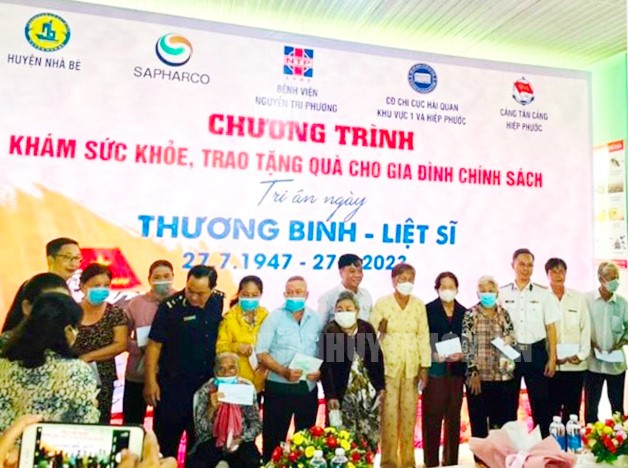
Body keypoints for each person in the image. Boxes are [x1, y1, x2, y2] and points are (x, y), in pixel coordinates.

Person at [143, 265, 224, 458]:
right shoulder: (170, 307)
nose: (193, 297)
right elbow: (154, 345)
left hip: (205, 387)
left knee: (199, 448)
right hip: (173, 387)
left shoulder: (218, 301)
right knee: (165, 446)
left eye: (200, 293)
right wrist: (150, 381)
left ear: (212, 289)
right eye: (190, 290)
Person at [0, 293, 100, 431]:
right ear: (68, 330)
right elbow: (85, 424)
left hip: (5, 442)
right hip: (46, 444)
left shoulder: (4, 364)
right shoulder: (77, 371)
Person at [256, 275, 324, 462]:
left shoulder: (316, 318)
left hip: (307, 390)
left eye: (299, 292)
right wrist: (283, 371)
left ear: (307, 295)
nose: (294, 295)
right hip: (278, 390)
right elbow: (261, 353)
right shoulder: (274, 317)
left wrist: (320, 372)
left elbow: (322, 350)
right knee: (273, 443)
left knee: (306, 444)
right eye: (290, 292)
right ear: (284, 294)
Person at [370, 263, 431, 468]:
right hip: (388, 367)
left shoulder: (418, 305)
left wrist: (425, 366)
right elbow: (370, 334)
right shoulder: (382, 303)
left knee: (409, 415)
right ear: (394, 280)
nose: (407, 282)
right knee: (388, 415)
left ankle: (408, 461)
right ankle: (388, 461)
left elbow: (423, 336)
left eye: (411, 279)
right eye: (403, 278)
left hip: (412, 368)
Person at [499, 248, 560, 437]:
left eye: (530, 265)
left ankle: (542, 446)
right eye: (521, 264)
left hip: (536, 351)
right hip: (510, 352)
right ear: (513, 265)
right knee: (507, 403)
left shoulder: (543, 293)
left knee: (541, 403)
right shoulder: (502, 293)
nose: (525, 269)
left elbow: (551, 328)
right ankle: (509, 446)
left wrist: (552, 359)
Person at [320, 291, 385, 449]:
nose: (344, 312)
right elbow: (326, 367)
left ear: (357, 311)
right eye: (339, 309)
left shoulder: (366, 328)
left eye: (348, 309)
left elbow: (377, 359)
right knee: (341, 441)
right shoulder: (330, 331)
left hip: (368, 394)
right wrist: (330, 395)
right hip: (342, 394)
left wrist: (381, 387)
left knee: (369, 438)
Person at [463, 276, 519, 439]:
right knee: (479, 425)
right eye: (483, 291)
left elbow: (512, 338)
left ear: (497, 293)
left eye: (490, 290)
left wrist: (508, 340)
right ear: (477, 293)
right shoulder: (471, 314)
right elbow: (466, 343)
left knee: (500, 426)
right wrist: (473, 372)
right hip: (479, 378)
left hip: (502, 377)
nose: (487, 294)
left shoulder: (504, 314)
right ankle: (480, 455)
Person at [72, 263, 129, 424]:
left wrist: (88, 357)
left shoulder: (115, 313)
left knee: (100, 420)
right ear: (83, 286)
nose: (102, 289)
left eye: (106, 285)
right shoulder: (71, 312)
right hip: (72, 374)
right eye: (96, 285)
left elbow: (120, 344)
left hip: (103, 378)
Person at [123, 260, 176, 425]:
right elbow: (123, 338)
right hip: (137, 374)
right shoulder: (135, 304)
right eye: (157, 277)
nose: (162, 281)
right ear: (149, 279)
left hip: (169, 375)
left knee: (164, 425)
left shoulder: (181, 302)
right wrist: (139, 348)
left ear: (173, 277)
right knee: (132, 424)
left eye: (166, 276)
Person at [422, 272, 467, 467]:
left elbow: (469, 340)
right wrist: (433, 353)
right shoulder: (427, 310)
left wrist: (463, 353)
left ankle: (450, 461)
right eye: (443, 287)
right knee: (432, 417)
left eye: (451, 287)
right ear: (437, 289)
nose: (447, 290)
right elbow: (422, 338)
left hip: (456, 371)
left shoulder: (464, 312)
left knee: (453, 417)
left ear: (457, 289)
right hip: (435, 370)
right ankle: (431, 461)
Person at [187, 352, 262, 468]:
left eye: (231, 368)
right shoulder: (206, 390)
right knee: (197, 463)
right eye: (221, 368)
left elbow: (256, 425)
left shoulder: (245, 388)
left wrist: (240, 439)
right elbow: (200, 430)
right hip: (212, 440)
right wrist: (211, 408)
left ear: (237, 370)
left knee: (251, 461)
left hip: (240, 440)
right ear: (215, 371)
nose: (226, 373)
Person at [545, 258, 590, 423]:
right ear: (547, 274)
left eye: (562, 271)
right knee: (552, 409)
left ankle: (570, 439)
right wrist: (550, 357)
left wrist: (581, 355)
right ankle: (552, 440)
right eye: (554, 271)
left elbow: (586, 327)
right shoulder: (543, 297)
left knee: (572, 410)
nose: (558, 275)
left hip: (575, 365)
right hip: (551, 365)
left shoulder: (577, 297)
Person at [2, 237, 81, 333]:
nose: (74, 263)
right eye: (68, 257)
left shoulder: (74, 289)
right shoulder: (36, 285)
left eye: (77, 258)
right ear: (50, 260)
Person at [584, 261, 628, 423]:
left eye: (616, 277)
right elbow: (580, 326)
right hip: (592, 363)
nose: (614, 281)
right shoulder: (586, 299)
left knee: (617, 408)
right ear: (600, 278)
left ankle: (619, 437)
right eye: (610, 277)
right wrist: (589, 342)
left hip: (615, 365)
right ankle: (591, 436)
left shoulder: (622, 303)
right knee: (591, 408)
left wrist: (620, 342)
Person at [216, 275, 269, 394]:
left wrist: (266, 364)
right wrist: (236, 347)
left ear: (260, 295)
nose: (250, 298)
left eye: (254, 295)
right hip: (235, 381)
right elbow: (219, 348)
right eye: (245, 294)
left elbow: (272, 345)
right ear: (239, 293)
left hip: (259, 381)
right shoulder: (229, 318)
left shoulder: (265, 316)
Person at [0, 273, 70, 349]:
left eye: (65, 305)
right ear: (27, 307)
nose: (58, 313)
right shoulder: (7, 344)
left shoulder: (68, 343)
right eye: (49, 305)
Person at [318, 254, 373, 322]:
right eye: (352, 271)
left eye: (360, 271)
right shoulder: (327, 298)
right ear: (341, 272)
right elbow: (320, 326)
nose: (357, 275)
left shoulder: (366, 295)